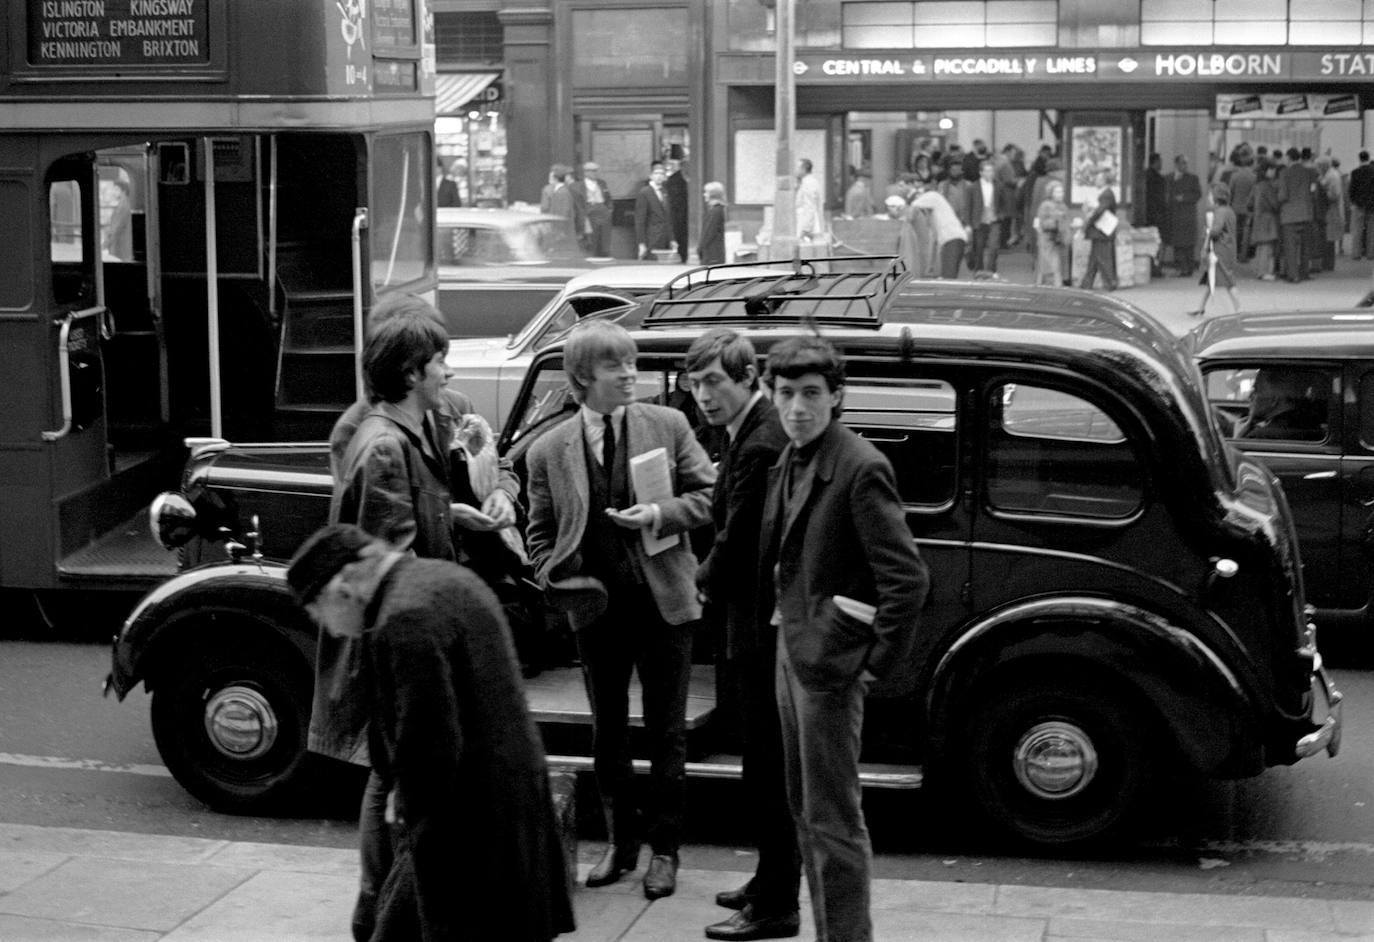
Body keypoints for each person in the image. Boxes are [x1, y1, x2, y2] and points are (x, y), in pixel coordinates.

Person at [323, 295, 521, 942]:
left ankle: (387, 911)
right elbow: (395, 576)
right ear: (411, 372)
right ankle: (383, 914)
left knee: (416, 799)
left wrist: (461, 512)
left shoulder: (409, 431)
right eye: (441, 362)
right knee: (422, 804)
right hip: (414, 666)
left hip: (419, 659)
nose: (449, 374)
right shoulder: (381, 446)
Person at [286, 524, 575, 942]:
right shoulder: (445, 577)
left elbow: (432, 742)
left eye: (316, 610)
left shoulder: (404, 618)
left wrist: (407, 804)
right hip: (511, 794)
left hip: (465, 821)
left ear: (342, 587)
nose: (325, 626)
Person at [525, 319, 715, 900]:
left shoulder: (669, 423)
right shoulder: (548, 450)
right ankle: (620, 845)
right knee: (608, 733)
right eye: (616, 366)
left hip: (664, 605)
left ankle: (664, 851)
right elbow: (538, 533)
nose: (631, 374)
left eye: (632, 363)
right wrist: (555, 576)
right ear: (583, 377)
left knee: (666, 733)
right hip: (598, 611)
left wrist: (658, 516)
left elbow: (709, 497)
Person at [758, 335, 929, 942]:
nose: (798, 407)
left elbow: (907, 578)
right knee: (804, 807)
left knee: (832, 818)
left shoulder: (859, 466)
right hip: (794, 650)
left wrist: (872, 663)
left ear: (836, 397)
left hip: (829, 661)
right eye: (786, 394)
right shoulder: (792, 454)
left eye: (811, 394)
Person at [686, 330, 800, 942]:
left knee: (767, 770)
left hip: (761, 632)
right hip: (752, 626)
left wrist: (699, 578)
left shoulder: (758, 443)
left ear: (748, 378)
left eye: (714, 383)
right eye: (696, 383)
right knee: (762, 766)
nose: (704, 396)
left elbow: (737, 538)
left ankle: (777, 904)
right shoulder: (745, 434)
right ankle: (767, 881)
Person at [1187, 184, 1241, 318]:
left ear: (1216, 197)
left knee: (1228, 281)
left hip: (1220, 251)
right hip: (1227, 249)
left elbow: (1216, 231)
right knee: (1210, 278)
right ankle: (1201, 307)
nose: (1209, 198)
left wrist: (1207, 232)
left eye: (1211, 195)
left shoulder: (1220, 212)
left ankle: (1239, 309)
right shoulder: (1228, 211)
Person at [910, 185, 969, 279]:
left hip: (952, 240)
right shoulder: (934, 216)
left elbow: (914, 205)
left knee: (948, 278)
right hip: (952, 242)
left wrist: (905, 219)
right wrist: (930, 267)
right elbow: (934, 243)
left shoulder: (934, 196)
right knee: (949, 277)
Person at [1276, 146, 1316, 283]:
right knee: (1306, 246)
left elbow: (1283, 195)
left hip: (1289, 215)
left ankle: (1293, 275)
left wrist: (1278, 202)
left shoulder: (1284, 173)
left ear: (1288, 158)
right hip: (1306, 213)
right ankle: (1305, 272)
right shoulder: (1310, 172)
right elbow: (1313, 191)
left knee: (1290, 247)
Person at [967, 159, 1006, 274]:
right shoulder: (973, 187)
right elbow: (968, 206)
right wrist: (968, 224)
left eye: (992, 171)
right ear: (981, 172)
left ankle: (990, 271)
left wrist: (1000, 215)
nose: (990, 173)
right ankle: (979, 271)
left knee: (993, 247)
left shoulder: (999, 186)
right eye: (987, 171)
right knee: (979, 248)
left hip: (994, 220)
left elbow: (1003, 203)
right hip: (979, 220)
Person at [1167, 155, 1202, 277]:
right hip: (1175, 214)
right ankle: (1180, 267)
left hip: (1188, 215)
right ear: (1176, 164)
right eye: (1182, 163)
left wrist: (1184, 198)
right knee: (1178, 243)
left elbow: (1198, 194)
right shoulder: (1169, 178)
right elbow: (1165, 194)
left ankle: (1189, 268)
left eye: (1186, 163)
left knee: (1188, 243)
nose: (1185, 166)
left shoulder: (1193, 178)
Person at [1080, 187, 1120, 291]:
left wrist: (1088, 222)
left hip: (1101, 232)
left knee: (1103, 258)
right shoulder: (1105, 194)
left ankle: (1110, 283)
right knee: (1094, 259)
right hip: (1100, 232)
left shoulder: (1106, 194)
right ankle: (1086, 283)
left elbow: (1099, 212)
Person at [572, 162, 614, 257]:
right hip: (590, 212)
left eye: (596, 171)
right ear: (586, 172)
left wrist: (609, 209)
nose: (595, 173)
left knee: (605, 240)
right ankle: (593, 256)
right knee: (592, 239)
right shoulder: (579, 186)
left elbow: (608, 197)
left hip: (603, 211)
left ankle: (605, 256)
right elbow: (579, 204)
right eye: (592, 171)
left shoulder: (602, 183)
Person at [635, 161, 675, 260]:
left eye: (662, 174)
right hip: (651, 238)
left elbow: (668, 218)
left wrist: (672, 239)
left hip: (664, 238)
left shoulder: (664, 191)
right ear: (651, 176)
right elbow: (640, 220)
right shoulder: (645, 192)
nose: (659, 176)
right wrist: (641, 243)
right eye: (656, 173)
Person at [1248, 161, 1280, 281]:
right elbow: (1274, 204)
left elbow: (1249, 203)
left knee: (1260, 247)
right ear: (1267, 171)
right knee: (1267, 247)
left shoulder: (1257, 185)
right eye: (1272, 169)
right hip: (1268, 219)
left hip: (1258, 218)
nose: (1274, 172)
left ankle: (1259, 270)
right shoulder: (1268, 186)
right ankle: (1264, 271)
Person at [1034, 180, 1069, 287]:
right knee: (1051, 266)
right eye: (1057, 192)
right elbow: (1042, 223)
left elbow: (1065, 222)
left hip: (1059, 240)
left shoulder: (1063, 206)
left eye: (1062, 192)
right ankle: (1052, 287)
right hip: (1047, 240)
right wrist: (1056, 221)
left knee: (1057, 265)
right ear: (1051, 193)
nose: (1060, 194)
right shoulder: (1045, 205)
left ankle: (1054, 285)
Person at [1349, 151, 1374, 260]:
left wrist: (1353, 201)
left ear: (1359, 159)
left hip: (1358, 204)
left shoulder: (1355, 172)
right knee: (1371, 231)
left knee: (1357, 230)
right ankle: (1371, 253)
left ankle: (1356, 254)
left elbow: (1351, 189)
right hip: (1372, 205)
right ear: (1368, 158)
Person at [795, 158, 826, 245]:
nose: (795, 170)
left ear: (804, 169)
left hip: (807, 224)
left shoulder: (809, 183)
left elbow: (809, 207)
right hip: (804, 221)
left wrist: (806, 229)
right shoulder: (806, 182)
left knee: (805, 250)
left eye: (797, 168)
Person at [665, 158, 691, 263]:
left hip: (690, 215)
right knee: (680, 239)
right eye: (685, 165)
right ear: (682, 166)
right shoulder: (673, 180)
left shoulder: (694, 177)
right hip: (678, 215)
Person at [698, 180, 728, 266]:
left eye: (706, 193)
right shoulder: (716, 210)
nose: (704, 195)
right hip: (713, 253)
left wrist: (700, 248)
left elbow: (709, 232)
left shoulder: (715, 211)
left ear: (713, 195)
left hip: (712, 254)